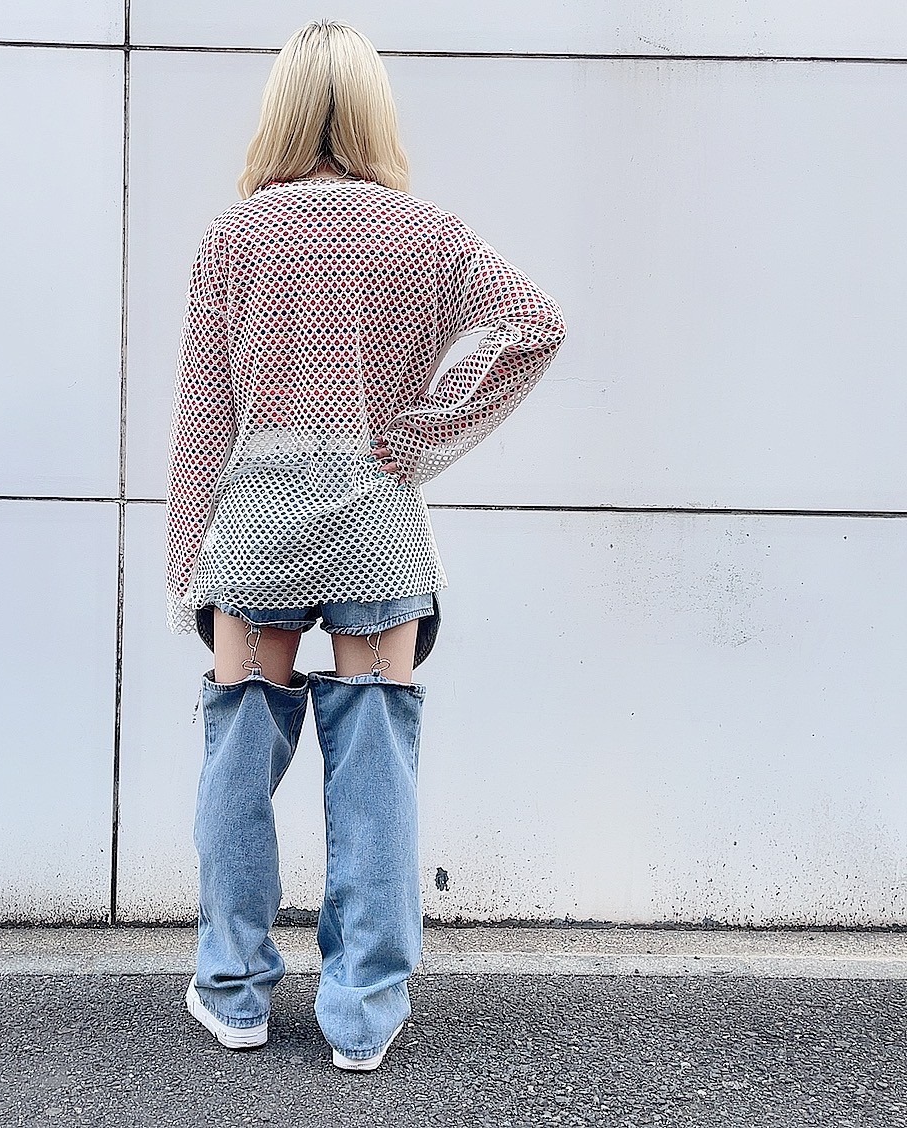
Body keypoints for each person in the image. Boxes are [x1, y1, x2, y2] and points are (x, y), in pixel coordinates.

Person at [165, 19, 566, 1071]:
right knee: (377, 764)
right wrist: (424, 435)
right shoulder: (425, 234)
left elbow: (204, 419)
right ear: (375, 109)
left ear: (283, 108)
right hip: (376, 527)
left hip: (256, 528)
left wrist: (185, 570)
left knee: (238, 759)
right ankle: (363, 1012)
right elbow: (535, 324)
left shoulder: (233, 239)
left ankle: (234, 993)